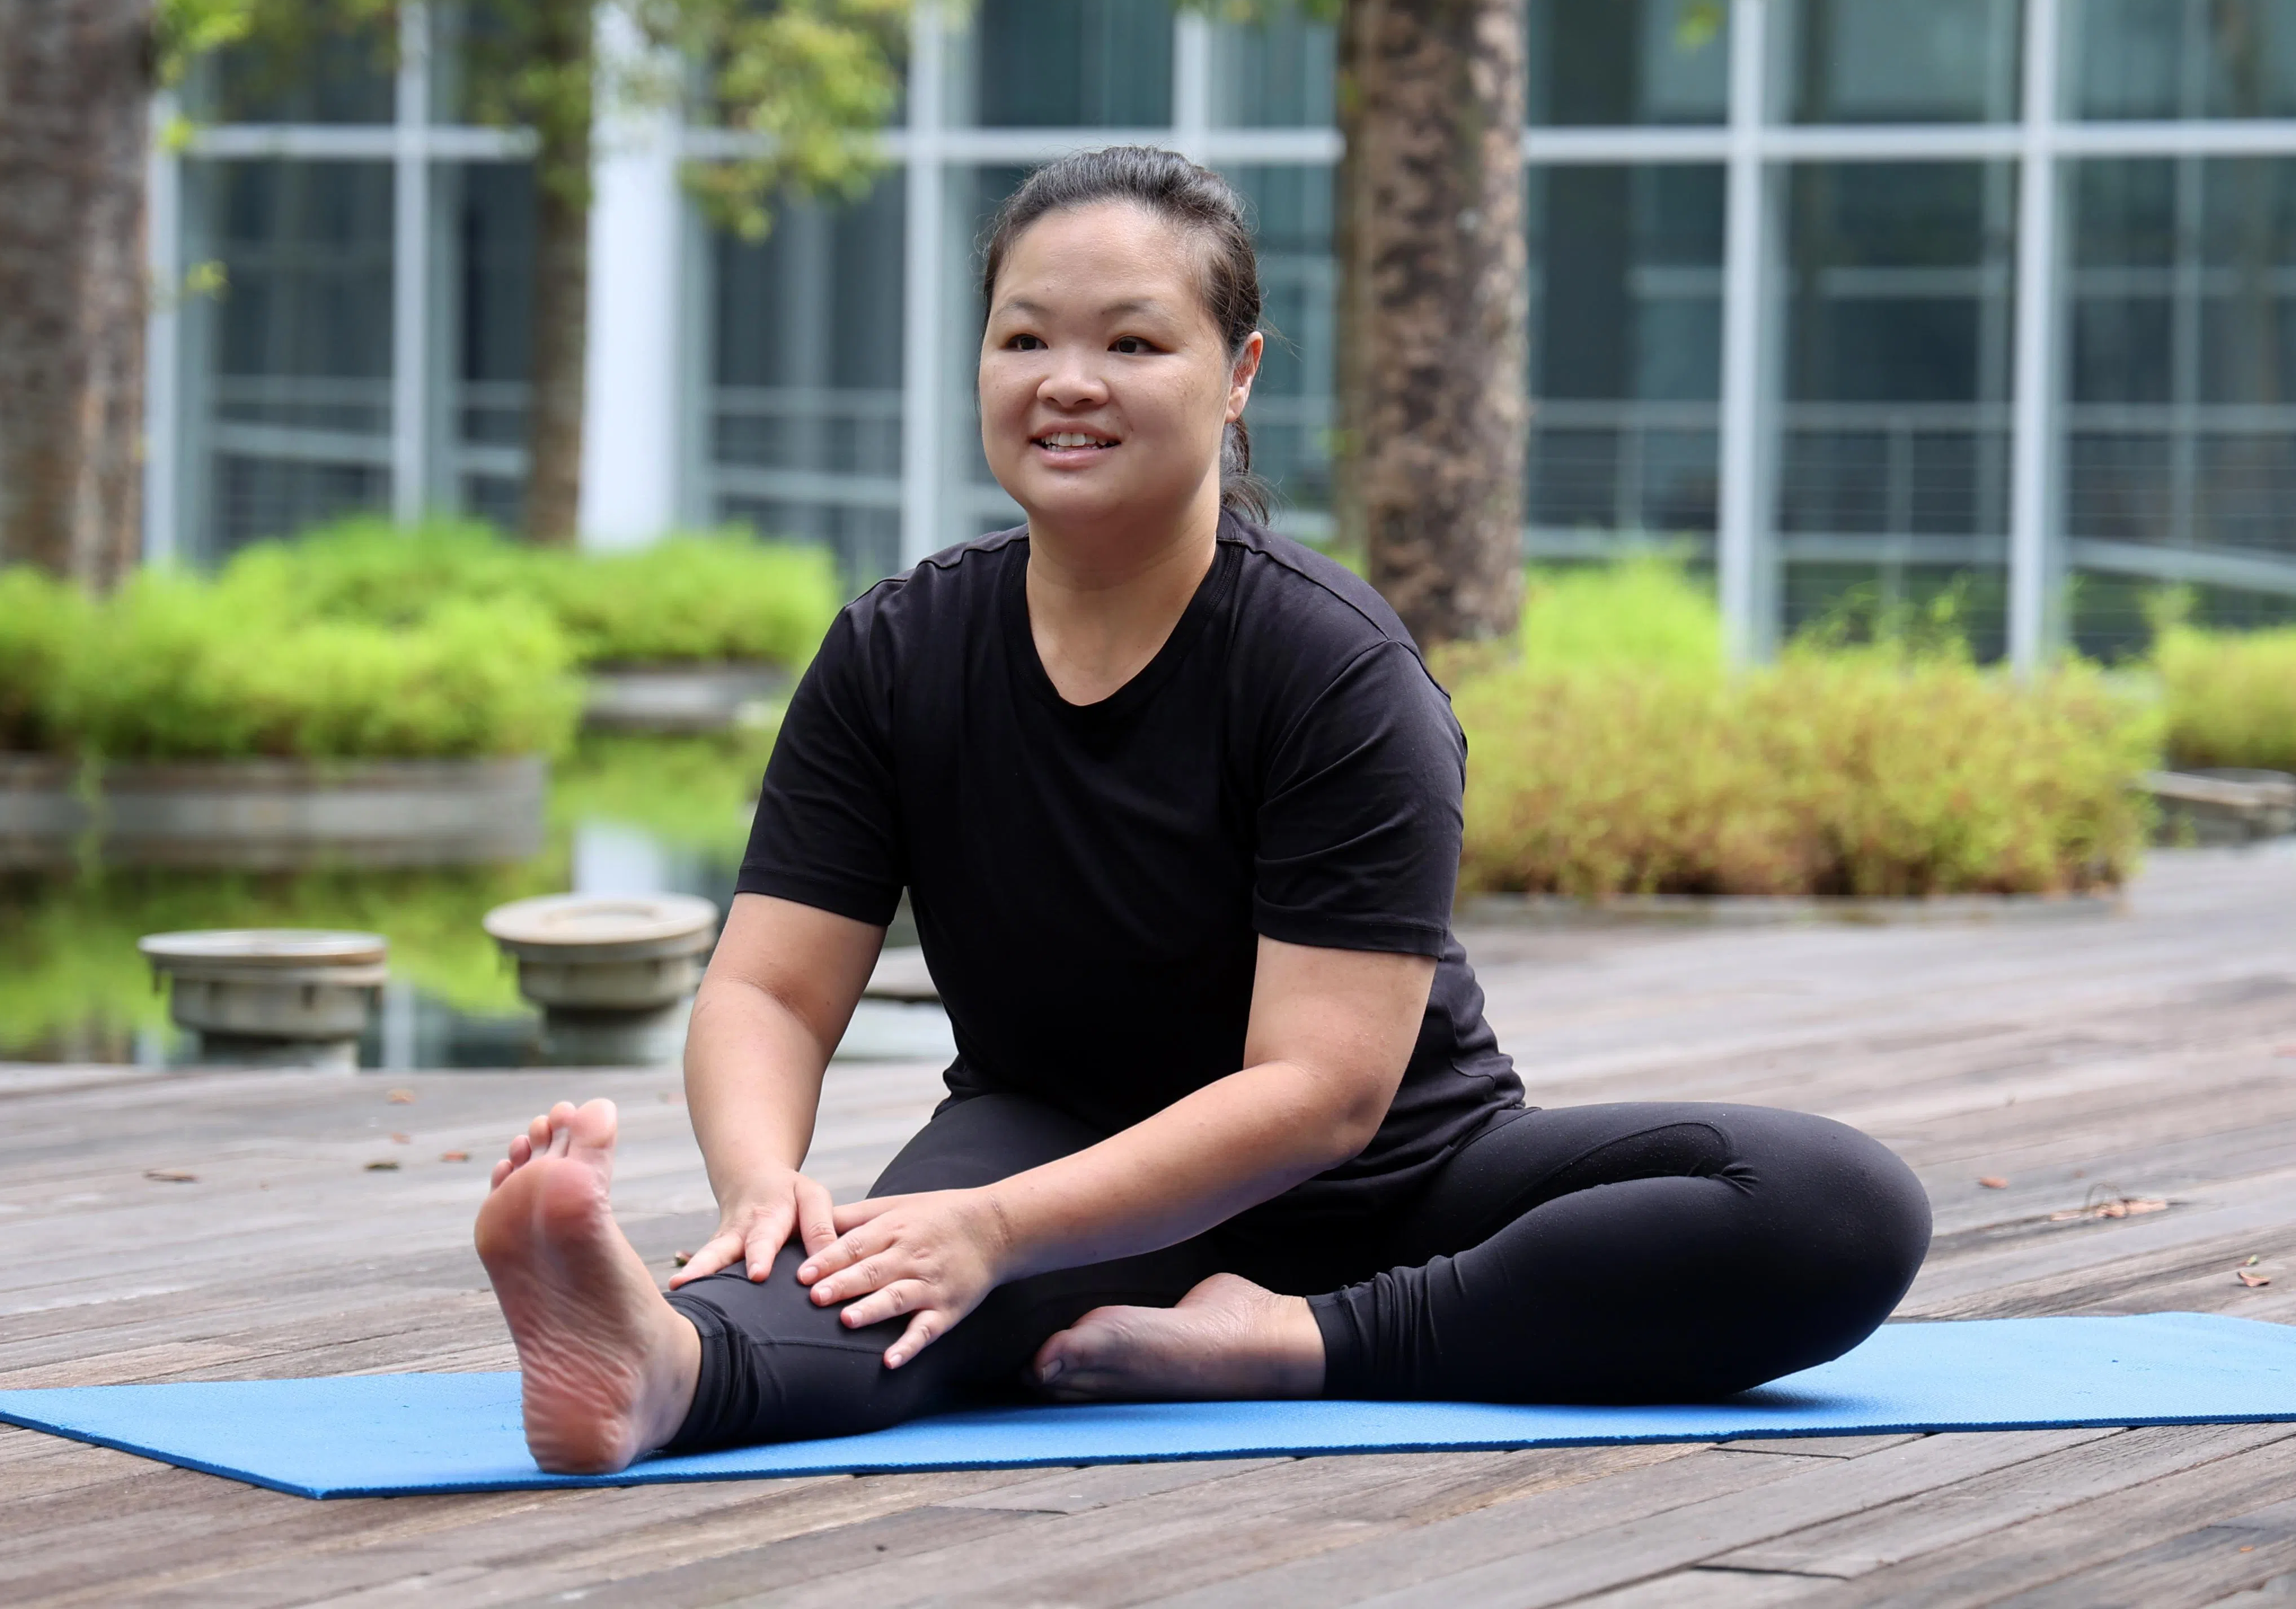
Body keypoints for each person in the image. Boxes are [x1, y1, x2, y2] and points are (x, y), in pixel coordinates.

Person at [473, 147, 1933, 1475]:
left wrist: (1003, 1230)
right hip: (1058, 1151)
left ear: (1235, 375)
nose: (1067, 380)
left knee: (1836, 1208)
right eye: (1025, 337)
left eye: (1131, 342)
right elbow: (773, 992)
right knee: (888, 1276)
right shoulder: (895, 652)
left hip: (1389, 1185)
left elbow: (1324, 1092)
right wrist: (764, 1190)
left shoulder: (1330, 665)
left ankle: (1301, 1345)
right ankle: (659, 1368)